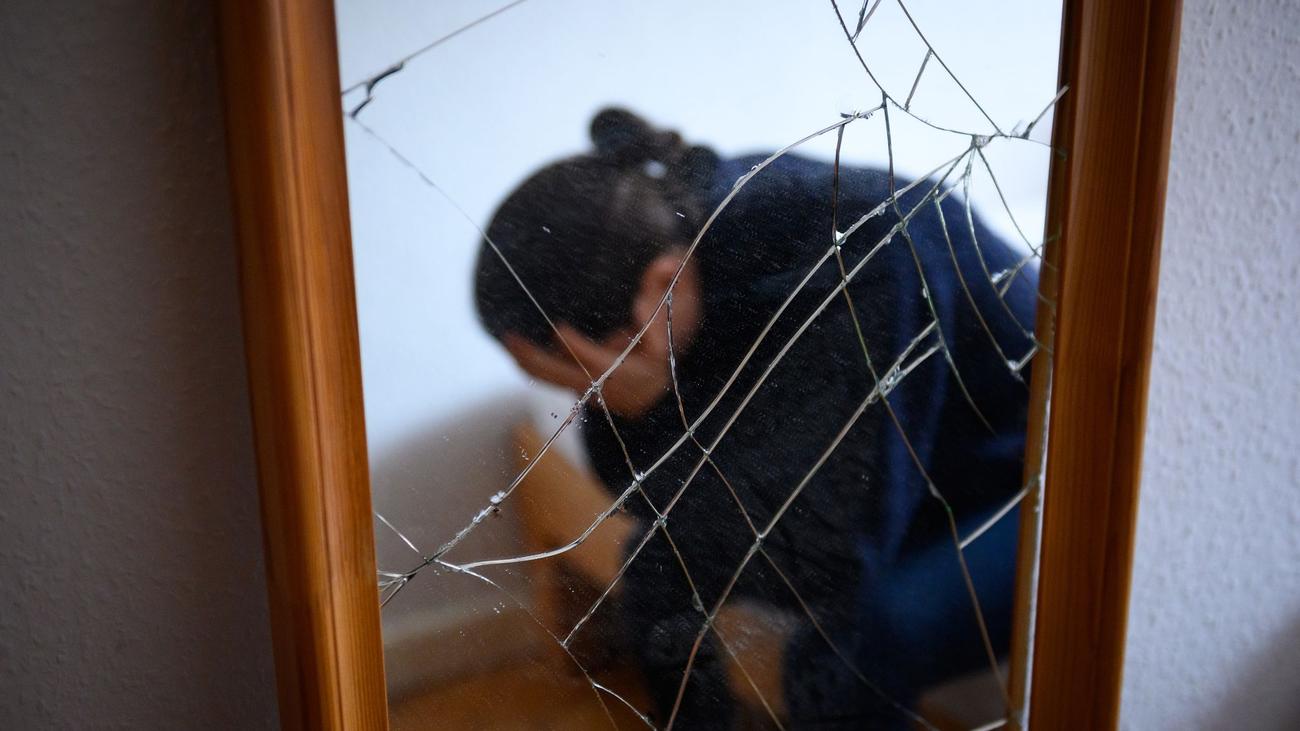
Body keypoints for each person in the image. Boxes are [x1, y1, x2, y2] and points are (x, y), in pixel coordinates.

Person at [474, 108, 1037, 729]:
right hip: (915, 457)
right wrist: (638, 402)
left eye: (586, 381)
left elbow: (821, 556)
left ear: (661, 284)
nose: (587, 400)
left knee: (867, 638)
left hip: (1031, 464)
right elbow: (641, 502)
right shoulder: (673, 235)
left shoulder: (854, 249)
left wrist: (651, 406)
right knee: (656, 571)